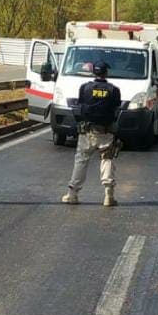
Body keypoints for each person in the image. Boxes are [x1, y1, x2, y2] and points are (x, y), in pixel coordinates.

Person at [62, 62, 122, 207]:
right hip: (106, 131)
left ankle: (72, 194)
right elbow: (116, 108)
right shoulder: (114, 90)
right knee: (107, 159)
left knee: (81, 160)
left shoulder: (85, 88)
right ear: (106, 73)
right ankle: (108, 195)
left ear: (94, 72)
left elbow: (80, 105)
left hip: (87, 132)